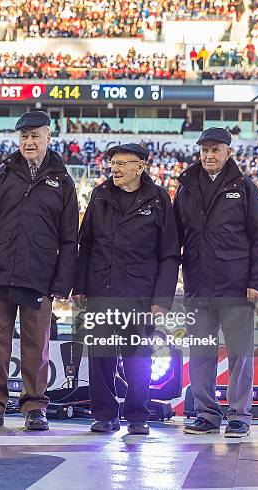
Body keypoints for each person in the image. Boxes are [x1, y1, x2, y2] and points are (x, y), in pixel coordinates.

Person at [0, 111, 79, 431]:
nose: (29, 142)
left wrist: (61, 282)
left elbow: (70, 237)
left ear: (49, 137)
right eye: (24, 137)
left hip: (39, 278)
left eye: (35, 136)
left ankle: (35, 406)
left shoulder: (63, 181)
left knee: (36, 346)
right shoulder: (2, 173)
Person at [174, 128, 258, 438]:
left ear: (228, 152)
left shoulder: (245, 188)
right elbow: (174, 238)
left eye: (215, 149)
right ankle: (206, 414)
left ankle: (239, 416)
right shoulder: (186, 187)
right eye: (204, 150)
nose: (209, 155)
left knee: (239, 355)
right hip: (198, 286)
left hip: (236, 287)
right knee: (201, 353)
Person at [73, 143, 179, 435]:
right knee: (101, 358)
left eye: (122, 163)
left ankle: (137, 417)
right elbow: (87, 244)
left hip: (139, 296)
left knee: (137, 360)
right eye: (113, 163)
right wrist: (80, 285)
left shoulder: (159, 200)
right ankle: (105, 415)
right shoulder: (100, 195)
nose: (115, 169)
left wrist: (161, 300)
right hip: (101, 291)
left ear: (140, 166)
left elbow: (169, 254)